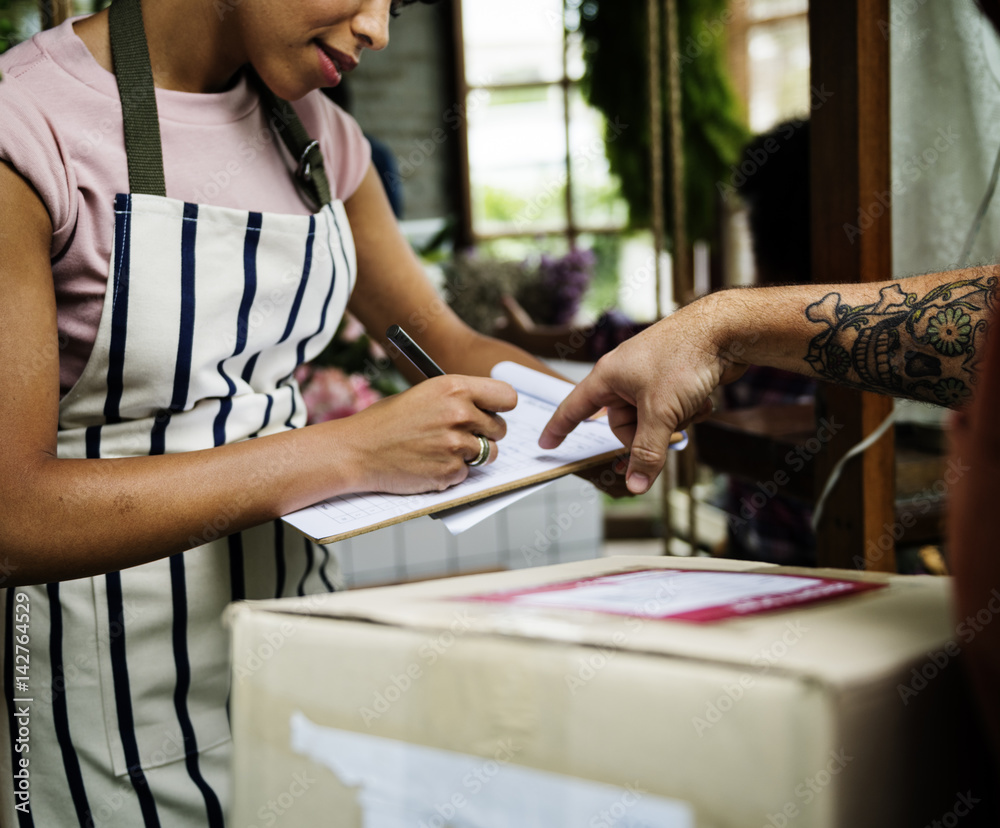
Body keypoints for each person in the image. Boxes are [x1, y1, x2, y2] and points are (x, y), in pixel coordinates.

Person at [0, 0, 591, 824]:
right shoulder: (27, 127)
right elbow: (12, 518)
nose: (379, 29)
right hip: (100, 701)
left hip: (293, 653)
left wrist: (593, 410)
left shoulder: (318, 137)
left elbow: (442, 341)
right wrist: (351, 454)